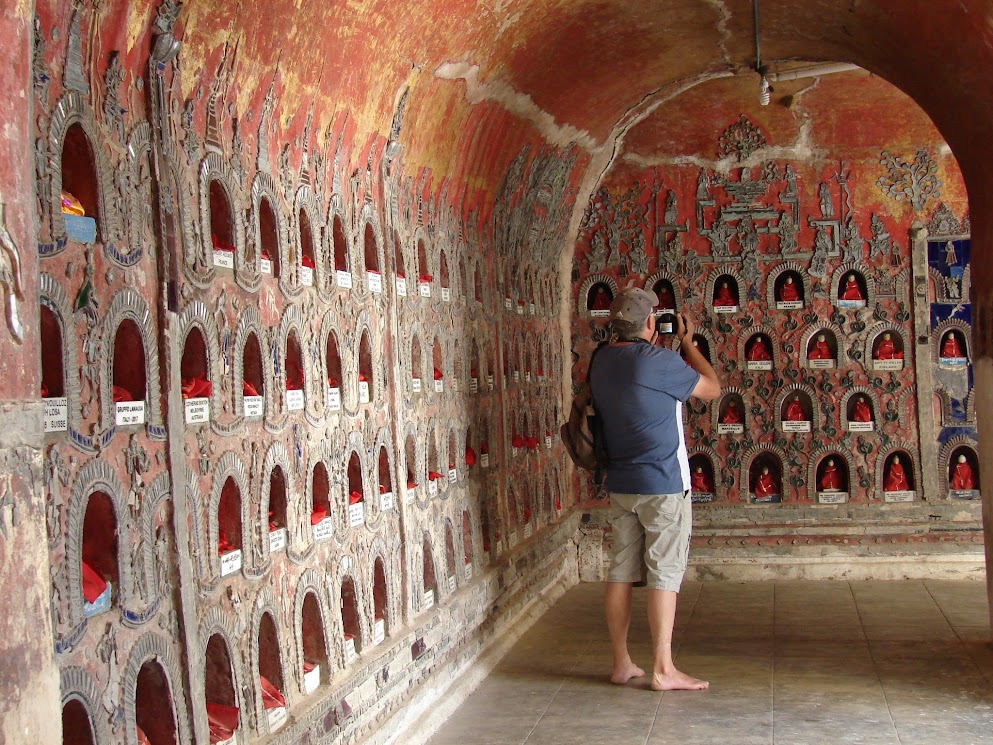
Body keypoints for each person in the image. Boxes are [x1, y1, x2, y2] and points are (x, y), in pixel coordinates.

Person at [589, 287, 720, 692]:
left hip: (622, 482)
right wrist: (687, 342)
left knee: (621, 572)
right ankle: (663, 668)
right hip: (663, 482)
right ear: (650, 323)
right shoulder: (659, 361)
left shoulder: (600, 360)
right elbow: (712, 388)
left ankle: (621, 662)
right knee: (664, 572)